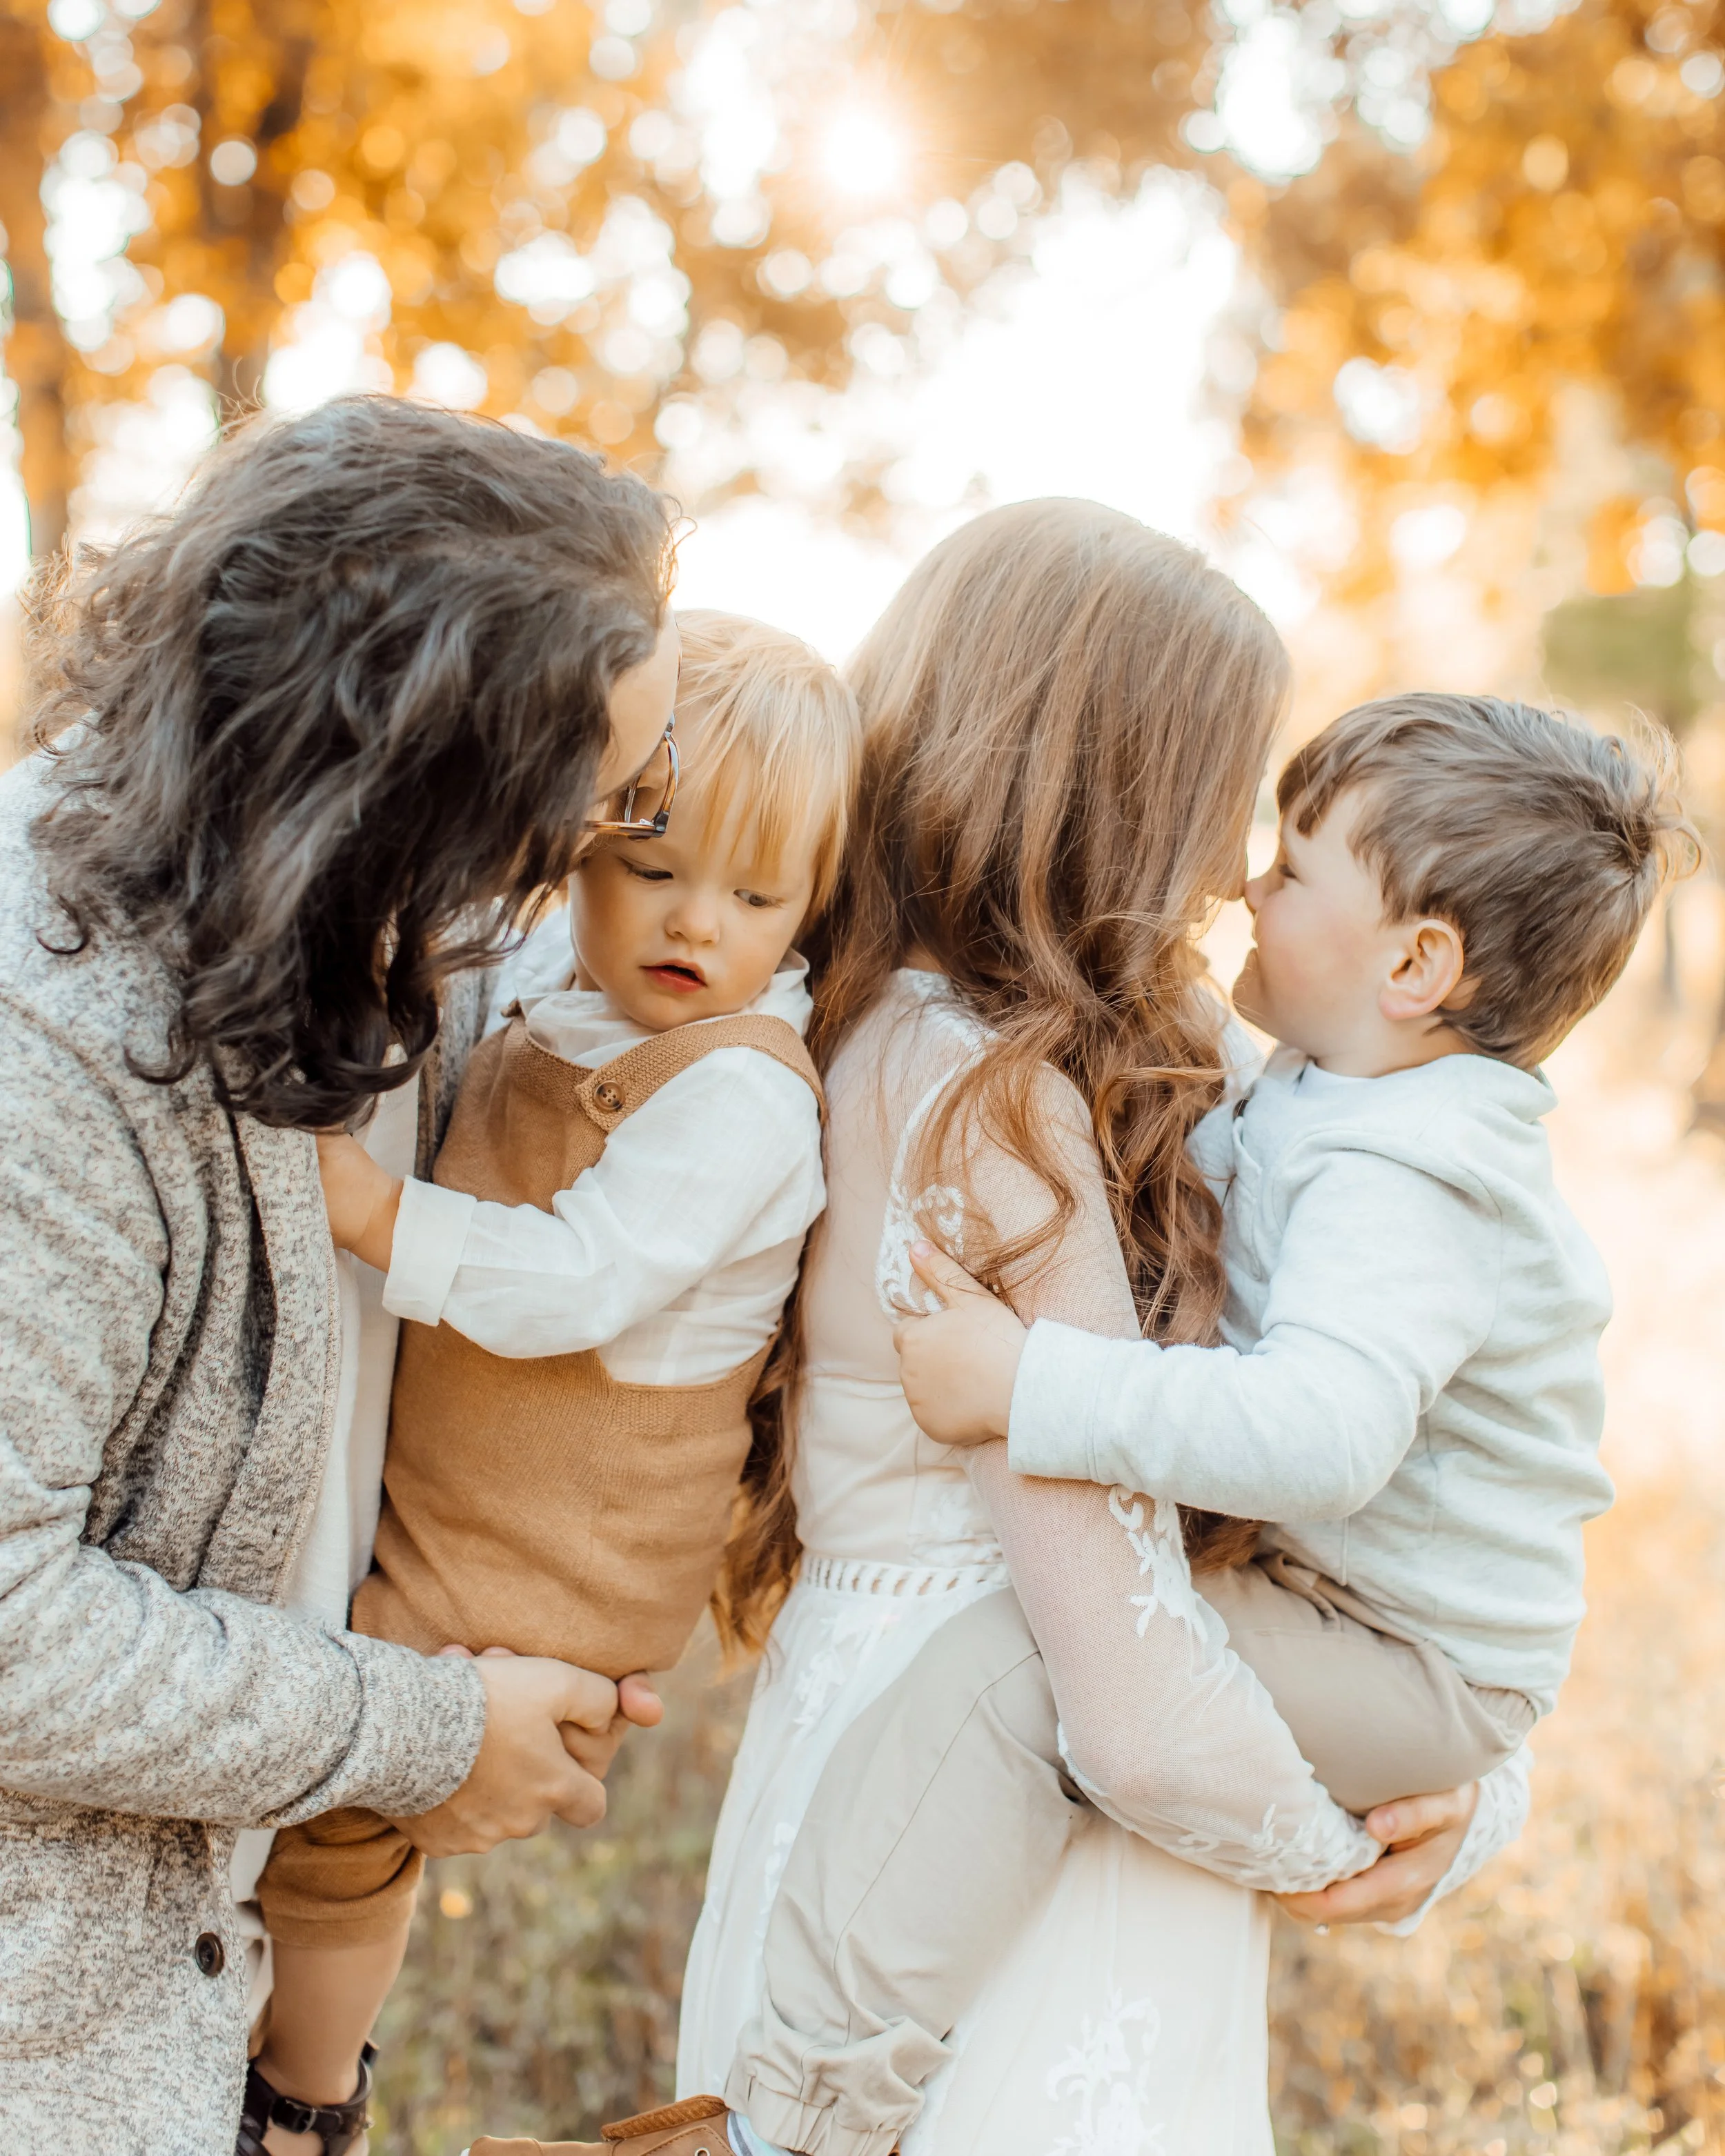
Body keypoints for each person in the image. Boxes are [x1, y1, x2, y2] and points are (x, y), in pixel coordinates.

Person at [471, 502, 1525, 2156]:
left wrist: (1456, 1779)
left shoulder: (861, 1021)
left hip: (899, 1750)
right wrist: (1374, 1842)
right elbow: (1117, 1701)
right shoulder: (981, 1099)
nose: (1229, 865)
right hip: (1017, 1804)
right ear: (1112, 791)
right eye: (1214, 791)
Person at [687, 691, 1697, 2156]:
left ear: (1414, 964)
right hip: (1366, 1618)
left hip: (1407, 1654)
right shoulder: (1328, 1083)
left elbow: (1318, 1434)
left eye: (1291, 870)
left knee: (1007, 1678)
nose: (1239, 882)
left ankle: (795, 2117)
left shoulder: (1404, 1174)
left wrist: (1024, 1385)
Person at [0, 397, 678, 2153]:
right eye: (577, 815)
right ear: (399, 794)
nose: (584, 869)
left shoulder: (383, 945)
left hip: (211, 1979)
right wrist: (425, 1726)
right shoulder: (43, 1048)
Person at [238, 612, 860, 2156]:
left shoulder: (739, 1098)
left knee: (339, 1797)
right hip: (491, 1490)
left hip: (562, 1541)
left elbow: (580, 1273)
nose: (692, 922)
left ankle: (298, 2096)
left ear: (813, 905)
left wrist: (379, 1214)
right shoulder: (565, 991)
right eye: (648, 868)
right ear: (574, 852)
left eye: (756, 893)